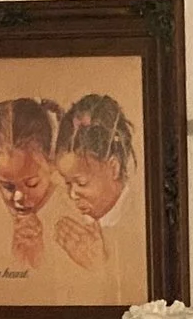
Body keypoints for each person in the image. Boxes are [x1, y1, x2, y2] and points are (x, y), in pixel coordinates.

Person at [51, 92, 144, 303]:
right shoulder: (69, 219)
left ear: (113, 167)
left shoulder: (138, 221)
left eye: (81, 183)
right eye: (67, 183)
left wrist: (99, 267)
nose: (72, 195)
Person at [0, 96, 65, 279]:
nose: (18, 198)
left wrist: (39, 261)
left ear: (52, 163)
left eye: (31, 184)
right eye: (7, 186)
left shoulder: (71, 211)